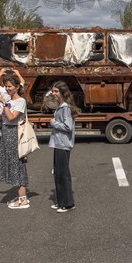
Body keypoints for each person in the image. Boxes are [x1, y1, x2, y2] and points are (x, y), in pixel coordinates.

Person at [0, 74, 30, 209]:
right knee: (12, 164)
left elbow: (12, 117)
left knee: (17, 165)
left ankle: (23, 199)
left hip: (14, 134)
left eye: (10, 87)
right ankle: (20, 197)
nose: (7, 89)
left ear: (17, 87)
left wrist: (4, 103)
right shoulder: (8, 101)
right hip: (6, 134)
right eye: (6, 86)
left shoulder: (20, 101)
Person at [49, 81, 80, 213]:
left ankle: (68, 203)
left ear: (63, 92)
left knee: (63, 174)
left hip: (63, 144)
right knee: (58, 173)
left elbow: (68, 127)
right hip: (59, 143)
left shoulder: (65, 108)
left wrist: (54, 123)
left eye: (56, 91)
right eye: (53, 91)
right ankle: (61, 201)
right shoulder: (61, 106)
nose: (53, 93)